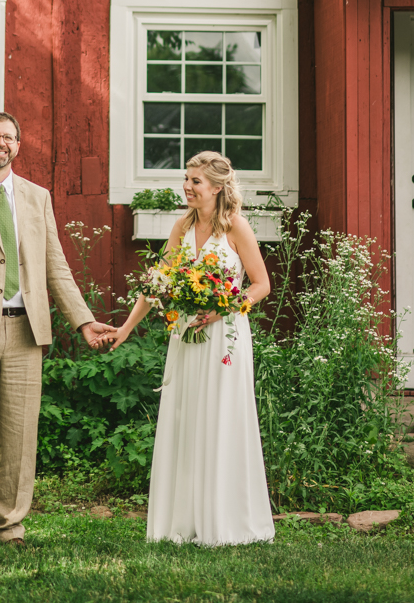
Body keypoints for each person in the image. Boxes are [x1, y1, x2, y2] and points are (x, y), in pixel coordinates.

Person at [0, 111, 117, 550]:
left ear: (19, 145)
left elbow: (55, 266)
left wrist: (84, 321)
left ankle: (10, 526)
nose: (1, 143)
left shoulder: (37, 197)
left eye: (8, 137)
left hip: (26, 334)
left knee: (19, 439)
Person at [110, 150, 275, 546]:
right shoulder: (182, 226)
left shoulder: (236, 226)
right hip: (185, 336)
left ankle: (224, 520)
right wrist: (126, 328)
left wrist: (222, 310)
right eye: (186, 179)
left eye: (195, 181)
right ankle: (183, 521)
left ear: (217, 188)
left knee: (220, 418)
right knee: (187, 418)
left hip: (224, 337)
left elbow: (261, 285)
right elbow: (157, 283)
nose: (187, 187)